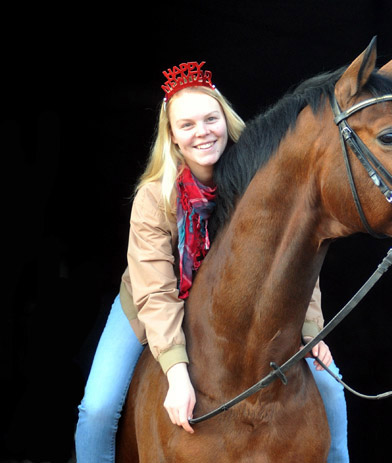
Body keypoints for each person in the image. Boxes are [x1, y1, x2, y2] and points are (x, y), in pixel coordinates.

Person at [75, 61, 349, 462]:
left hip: (230, 307)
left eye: (210, 118)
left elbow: (291, 259)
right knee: (97, 409)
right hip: (153, 303)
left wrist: (311, 332)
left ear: (226, 119)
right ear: (172, 138)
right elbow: (155, 289)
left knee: (331, 385)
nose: (201, 132)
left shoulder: (257, 180)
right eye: (187, 125)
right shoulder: (154, 199)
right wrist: (176, 371)